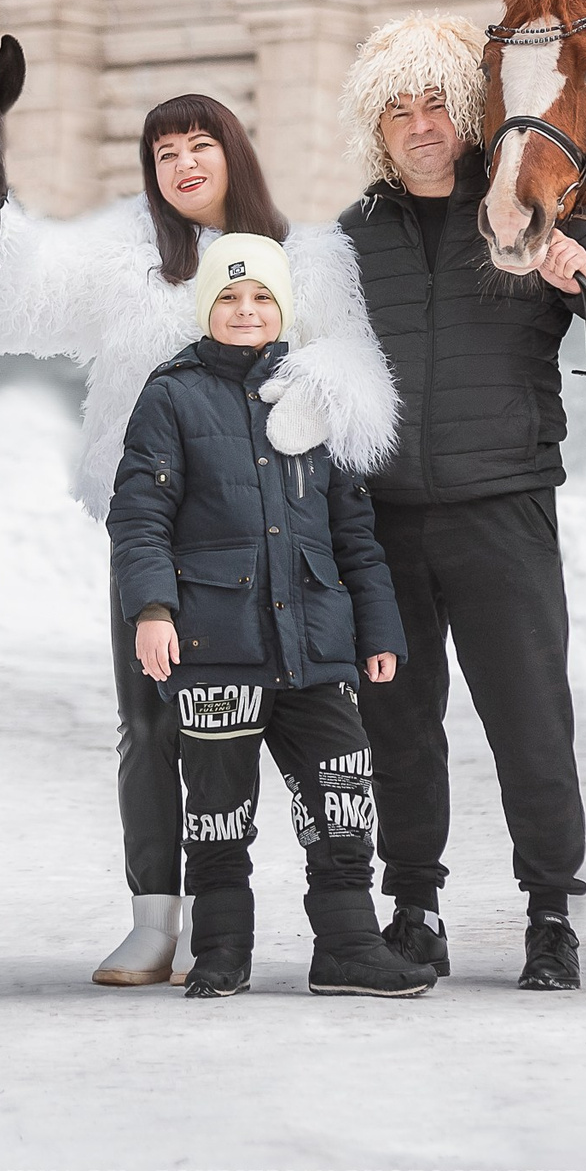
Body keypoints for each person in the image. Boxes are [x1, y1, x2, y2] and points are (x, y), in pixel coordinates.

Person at [0, 94, 397, 986]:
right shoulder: (129, 257)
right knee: (152, 725)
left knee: (291, 744)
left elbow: (360, 376)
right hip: (167, 548)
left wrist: (319, 389)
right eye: (164, 153)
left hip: (283, 541)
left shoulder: (310, 259)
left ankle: (258, 927)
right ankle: (158, 919)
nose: (185, 164)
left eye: (202, 144)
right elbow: (28, 294)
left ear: (235, 150)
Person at [334, 13, 586, 991]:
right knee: (397, 722)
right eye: (397, 110)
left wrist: (582, 275)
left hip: (504, 511)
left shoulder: (533, 212)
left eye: (434, 101)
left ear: (465, 110)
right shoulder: (351, 242)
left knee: (529, 719)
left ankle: (550, 913)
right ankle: (414, 907)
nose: (419, 124)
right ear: (377, 127)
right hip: (385, 522)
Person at [106, 233, 434, 1000]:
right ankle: (222, 949)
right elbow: (141, 516)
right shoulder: (171, 394)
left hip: (315, 641)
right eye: (229, 297)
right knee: (218, 806)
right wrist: (152, 608)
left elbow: (353, 527)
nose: (245, 310)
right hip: (216, 642)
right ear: (207, 307)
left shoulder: (313, 392)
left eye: (260, 298)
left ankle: (349, 945)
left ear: (281, 308)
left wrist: (378, 630)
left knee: (342, 787)